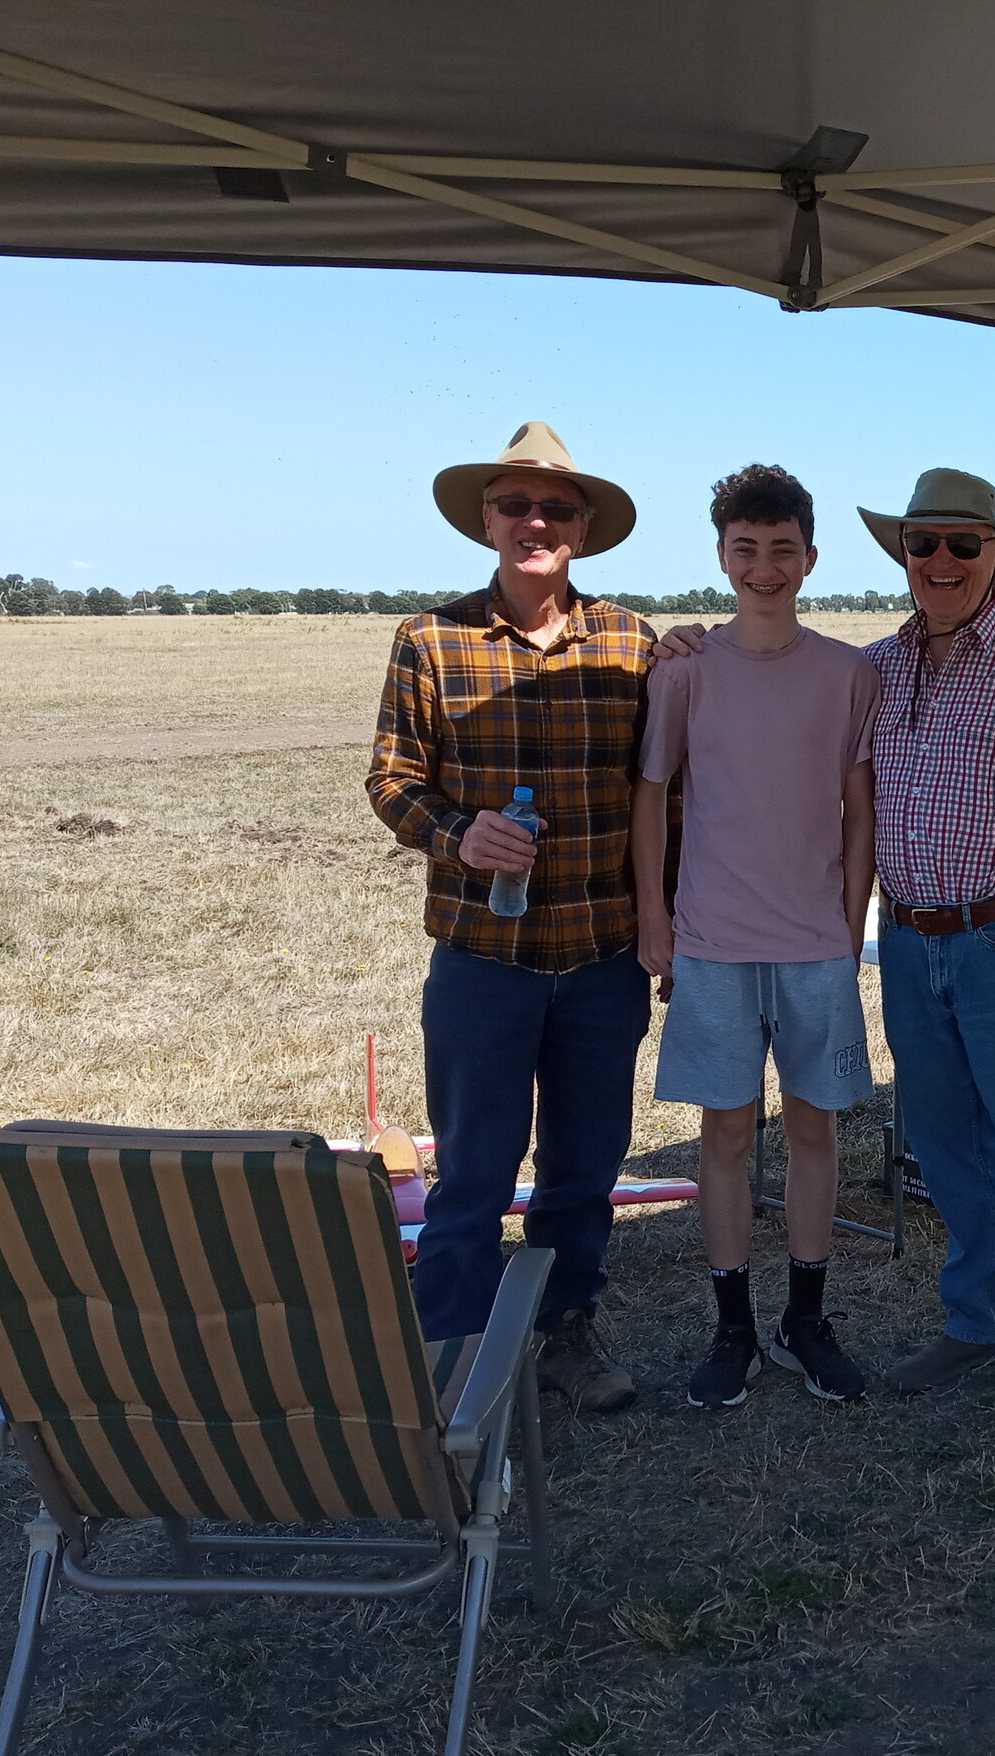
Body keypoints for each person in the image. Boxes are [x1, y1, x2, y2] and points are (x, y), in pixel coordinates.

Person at [653, 469, 995, 1449]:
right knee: (952, 1152)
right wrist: (682, 642)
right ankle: (984, 1320)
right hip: (907, 942)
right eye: (924, 544)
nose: (943, 562)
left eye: (964, 545)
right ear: (902, 556)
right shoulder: (875, 670)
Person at [367, 420, 659, 1413]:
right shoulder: (428, 639)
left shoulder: (633, 643)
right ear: (487, 522)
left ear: (583, 527)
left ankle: (565, 1333)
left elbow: (664, 788)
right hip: (482, 959)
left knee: (583, 1172)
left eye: (554, 508)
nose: (534, 521)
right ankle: (452, 1364)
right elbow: (391, 781)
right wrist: (458, 835)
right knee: (472, 1177)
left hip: (600, 957)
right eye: (514, 506)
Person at [631, 465, 881, 1411]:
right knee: (726, 1132)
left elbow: (859, 809)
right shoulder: (687, 672)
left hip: (816, 942)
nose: (765, 567)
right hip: (713, 943)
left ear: (811, 559)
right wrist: (656, 915)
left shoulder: (849, 672)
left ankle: (805, 1319)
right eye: (747, 549)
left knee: (813, 1128)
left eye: (783, 550)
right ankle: (732, 1326)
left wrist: (849, 922)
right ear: (722, 555)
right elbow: (653, 796)